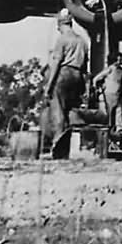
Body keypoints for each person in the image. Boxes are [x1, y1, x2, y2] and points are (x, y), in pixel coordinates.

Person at [45, 9, 89, 157]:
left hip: (64, 75)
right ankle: (74, 147)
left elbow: (56, 63)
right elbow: (85, 67)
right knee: (71, 111)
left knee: (58, 110)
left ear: (60, 24)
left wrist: (49, 86)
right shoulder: (82, 41)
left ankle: (58, 145)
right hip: (78, 77)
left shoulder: (62, 39)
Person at [92, 51, 122, 134]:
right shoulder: (110, 69)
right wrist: (97, 89)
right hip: (109, 94)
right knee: (109, 114)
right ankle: (108, 130)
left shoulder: (121, 70)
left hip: (118, 94)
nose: (120, 61)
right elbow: (96, 78)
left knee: (119, 113)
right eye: (118, 59)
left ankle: (119, 130)